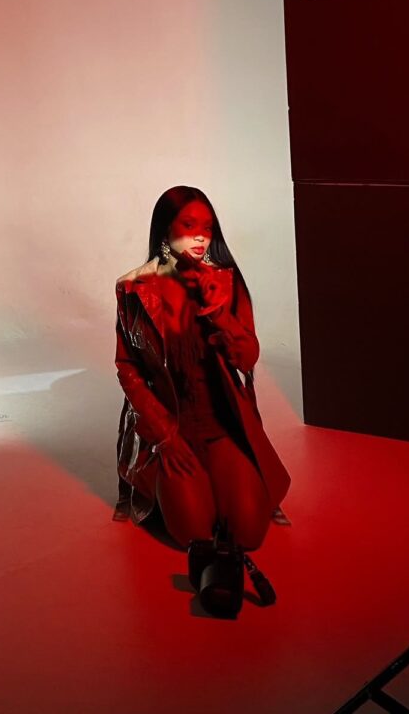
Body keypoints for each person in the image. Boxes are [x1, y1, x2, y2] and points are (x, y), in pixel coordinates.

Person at [113, 186, 291, 555]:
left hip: (221, 425)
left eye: (207, 228)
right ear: (165, 228)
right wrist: (165, 437)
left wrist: (219, 313)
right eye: (188, 225)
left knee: (248, 533)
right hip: (171, 426)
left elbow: (247, 359)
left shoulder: (226, 282)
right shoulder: (133, 288)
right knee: (194, 534)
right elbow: (127, 368)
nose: (200, 236)